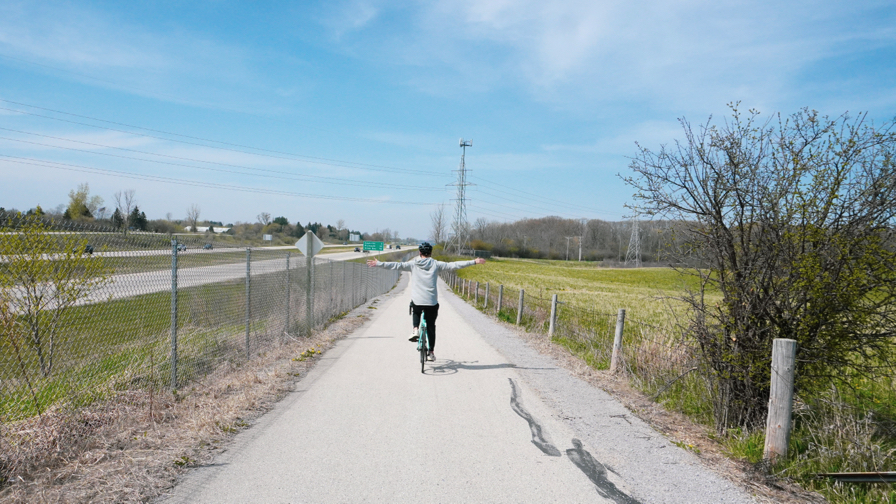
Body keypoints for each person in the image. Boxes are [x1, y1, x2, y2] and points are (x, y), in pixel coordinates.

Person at [367, 242, 485, 361]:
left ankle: (415, 329)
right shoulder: (436, 264)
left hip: (418, 301)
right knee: (431, 327)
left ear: (419, 253)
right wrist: (473, 261)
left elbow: (396, 265)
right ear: (431, 253)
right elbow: (454, 265)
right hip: (431, 302)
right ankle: (431, 352)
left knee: (416, 309)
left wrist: (379, 263)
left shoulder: (413, 264)